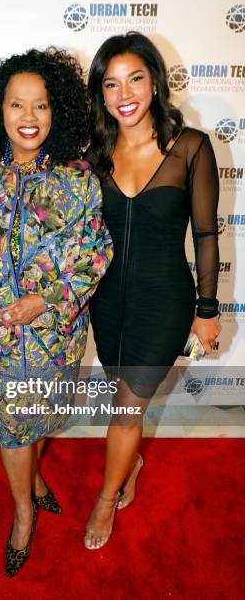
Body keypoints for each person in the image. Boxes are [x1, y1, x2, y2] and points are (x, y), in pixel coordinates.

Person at [0, 48, 113, 576]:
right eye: (16, 105)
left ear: (56, 111)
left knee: (42, 417)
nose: (27, 118)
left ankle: (35, 477)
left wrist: (46, 299)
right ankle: (23, 514)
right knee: (13, 427)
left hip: (55, 335)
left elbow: (96, 253)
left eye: (39, 106)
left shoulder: (79, 181)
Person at [84, 32, 221, 549]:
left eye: (135, 78)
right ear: (101, 93)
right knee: (122, 398)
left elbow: (206, 233)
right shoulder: (94, 155)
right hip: (107, 302)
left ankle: (105, 500)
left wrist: (207, 310)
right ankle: (133, 461)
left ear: (155, 81)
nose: (125, 93)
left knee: (126, 409)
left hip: (165, 301)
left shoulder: (190, 147)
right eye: (111, 83)